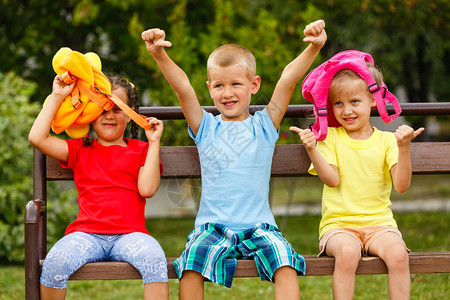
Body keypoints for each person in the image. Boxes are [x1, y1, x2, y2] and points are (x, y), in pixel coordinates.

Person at [142, 20, 327, 300]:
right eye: (219, 85)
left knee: (285, 262)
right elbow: (183, 89)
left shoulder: (265, 125)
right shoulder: (205, 127)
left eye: (236, 84)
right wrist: (158, 54)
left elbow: (288, 79)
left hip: (260, 227)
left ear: (254, 85)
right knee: (191, 265)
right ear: (210, 88)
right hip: (212, 227)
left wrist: (315, 47)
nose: (227, 93)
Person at [290, 52, 424, 300]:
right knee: (348, 253)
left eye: (354, 101)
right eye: (338, 104)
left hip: (380, 225)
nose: (346, 110)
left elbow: (402, 186)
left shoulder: (387, 141)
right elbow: (333, 180)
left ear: (373, 100)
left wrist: (403, 148)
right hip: (339, 228)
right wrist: (311, 149)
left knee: (398, 254)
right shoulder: (329, 137)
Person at [28, 74, 169, 300]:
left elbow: (147, 189)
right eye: (101, 109)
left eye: (116, 108)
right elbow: (36, 137)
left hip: (130, 235)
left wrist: (154, 143)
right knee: (56, 261)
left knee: (154, 259)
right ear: (90, 114)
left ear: (130, 113)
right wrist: (57, 96)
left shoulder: (141, 149)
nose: (109, 116)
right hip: (87, 235)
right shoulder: (80, 149)